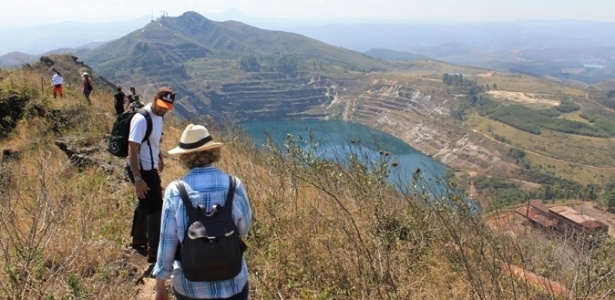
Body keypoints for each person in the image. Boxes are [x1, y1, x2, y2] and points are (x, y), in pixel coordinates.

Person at [152, 124, 252, 300]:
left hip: (190, 288)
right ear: (212, 152)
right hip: (233, 283)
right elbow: (243, 230)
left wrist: (160, 285)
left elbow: (168, 241)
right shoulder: (234, 185)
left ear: (184, 157)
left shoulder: (176, 190)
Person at [126, 87, 175, 263]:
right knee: (156, 207)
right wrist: (138, 178)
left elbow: (153, 142)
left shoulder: (158, 117)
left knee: (144, 202)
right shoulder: (141, 118)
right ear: (155, 98)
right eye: (161, 105)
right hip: (142, 170)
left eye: (167, 108)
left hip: (150, 168)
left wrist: (160, 158)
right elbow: (132, 147)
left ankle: (139, 240)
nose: (163, 110)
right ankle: (155, 253)